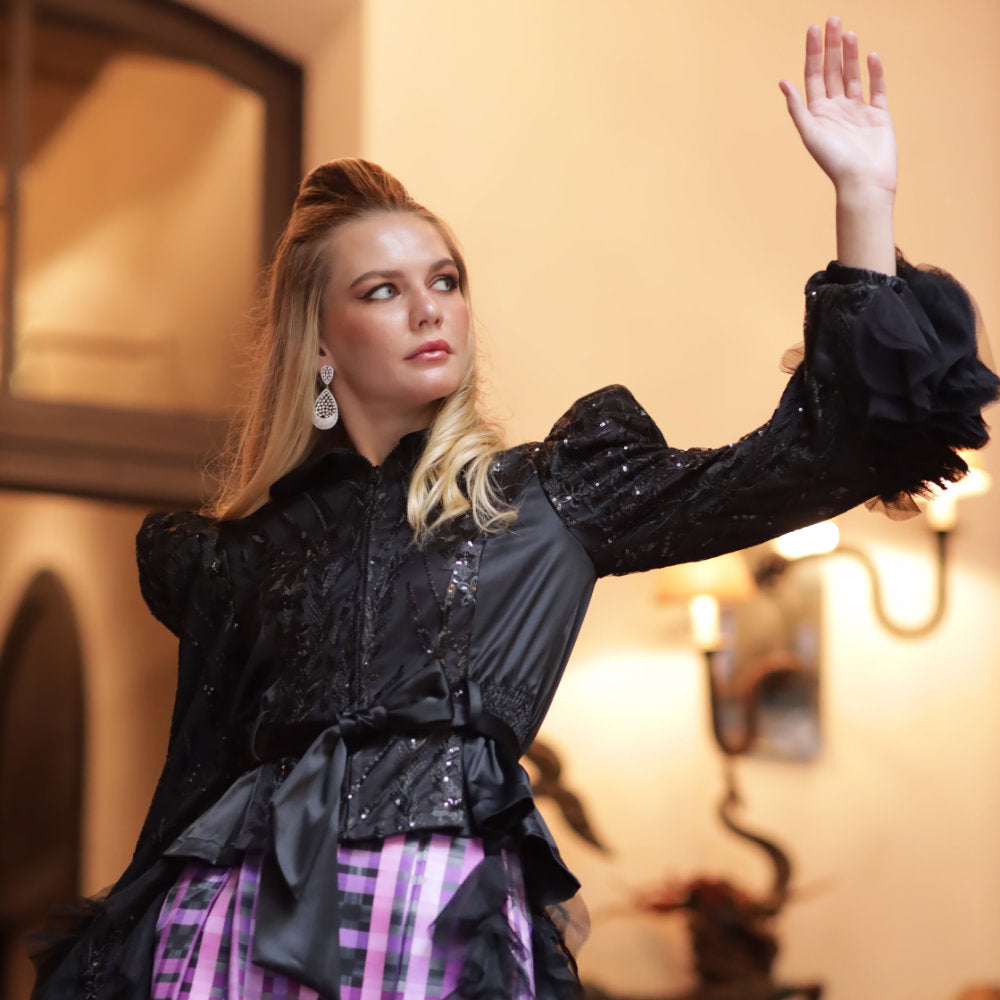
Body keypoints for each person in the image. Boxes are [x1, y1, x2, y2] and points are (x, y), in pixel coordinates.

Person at [29, 17, 998, 1000]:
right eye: (383, 290)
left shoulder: (551, 494)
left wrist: (862, 197)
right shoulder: (241, 555)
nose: (430, 308)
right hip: (236, 932)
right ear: (318, 343)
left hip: (434, 928)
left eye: (445, 281)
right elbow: (193, 782)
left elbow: (812, 457)